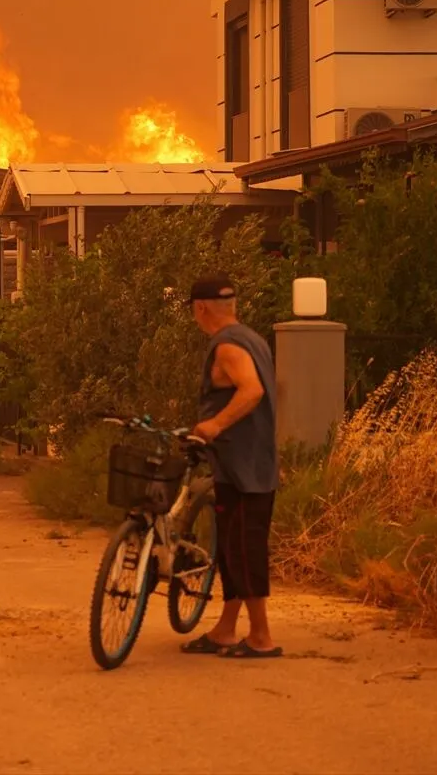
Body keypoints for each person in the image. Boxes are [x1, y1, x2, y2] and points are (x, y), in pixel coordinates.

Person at [182, 274, 282, 659]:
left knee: (244, 549)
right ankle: (226, 629)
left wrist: (215, 425)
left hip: (244, 467)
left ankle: (261, 637)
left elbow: (253, 391)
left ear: (200, 308)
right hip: (245, 461)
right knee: (231, 547)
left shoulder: (226, 346)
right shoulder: (252, 339)